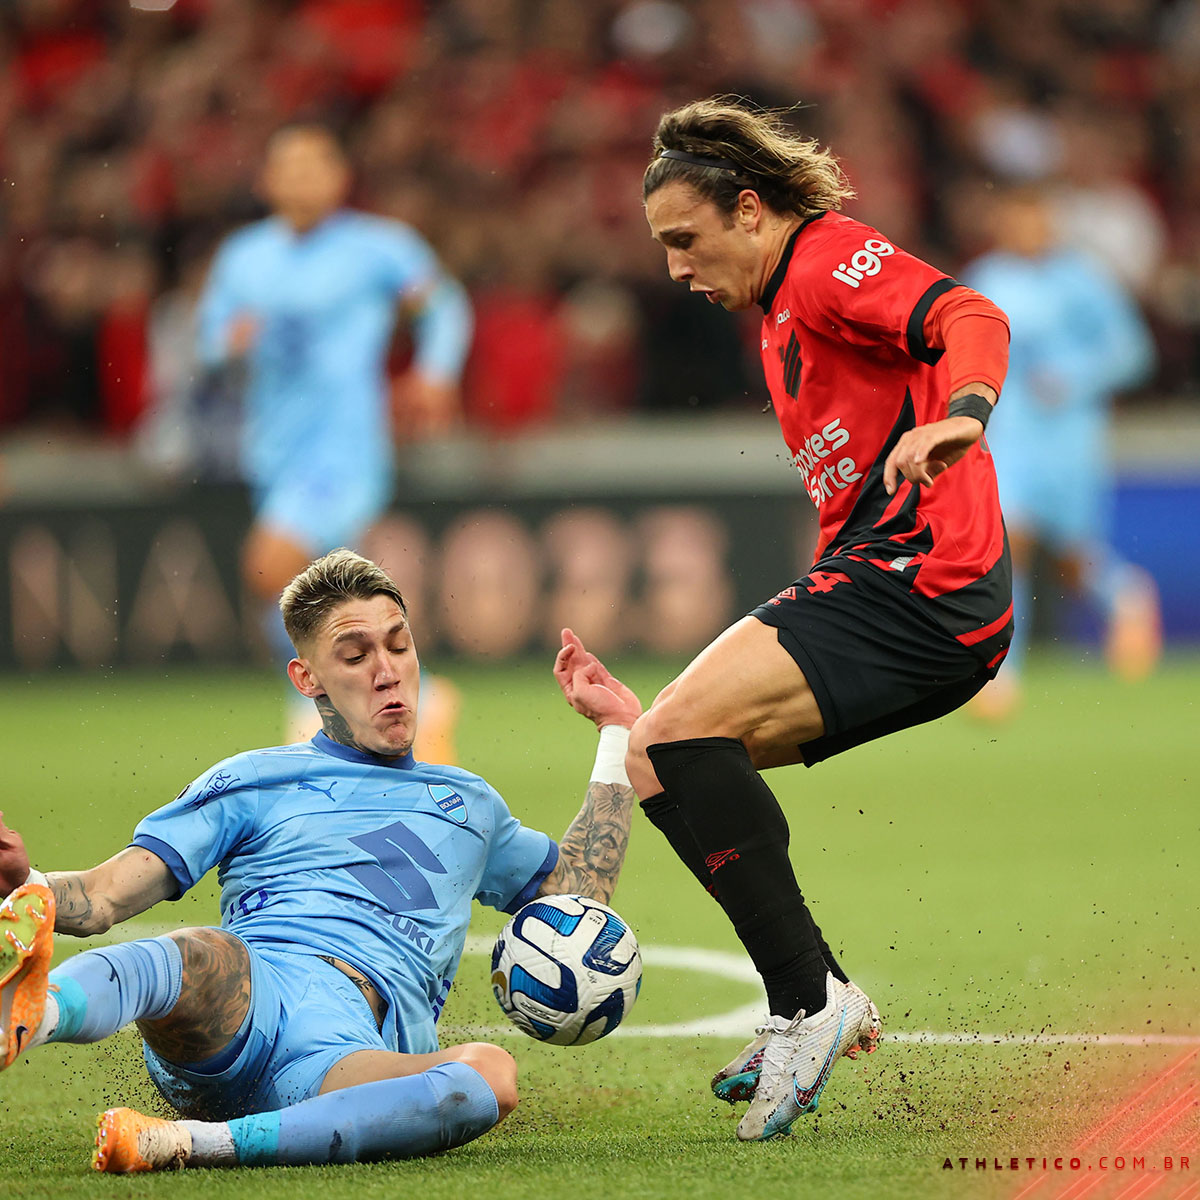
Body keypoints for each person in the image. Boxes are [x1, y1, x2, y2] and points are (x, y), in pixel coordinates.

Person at [0, 549, 641, 1172]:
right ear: (307, 679)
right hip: (241, 1012)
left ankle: (188, 1145)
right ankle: (29, 1017)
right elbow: (104, 897)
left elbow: (579, 900)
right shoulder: (253, 780)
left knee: (489, 1077)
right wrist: (22, 885)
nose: (386, 671)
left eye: (399, 645)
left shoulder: (472, 807)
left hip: (352, 1055)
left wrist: (616, 734)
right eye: (355, 655)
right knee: (195, 954)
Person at [632, 98, 1014, 1142]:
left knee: (670, 735)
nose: (675, 268)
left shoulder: (822, 260)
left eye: (685, 240)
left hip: (924, 581)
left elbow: (970, 316)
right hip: (878, 576)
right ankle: (816, 991)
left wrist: (963, 417)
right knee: (655, 757)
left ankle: (808, 1005)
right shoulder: (777, 316)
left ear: (749, 211)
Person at [196, 121, 473, 751]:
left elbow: (445, 306)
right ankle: (400, 700)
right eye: (287, 167)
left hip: (345, 450)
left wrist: (433, 373)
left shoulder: (380, 248)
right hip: (273, 451)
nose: (301, 178)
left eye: (314, 165)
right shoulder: (245, 257)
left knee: (271, 567)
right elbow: (208, 340)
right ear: (266, 180)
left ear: (339, 177)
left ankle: (324, 704)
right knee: (327, 591)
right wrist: (224, 345)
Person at [960, 183, 1160, 719]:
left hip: (1071, 438)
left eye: (1035, 219)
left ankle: (1123, 593)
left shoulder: (1083, 281)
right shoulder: (987, 279)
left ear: (1050, 223)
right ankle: (1003, 674)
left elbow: (1135, 352)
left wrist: (1074, 377)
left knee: (1072, 557)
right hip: (1011, 436)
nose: (1025, 230)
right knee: (1008, 543)